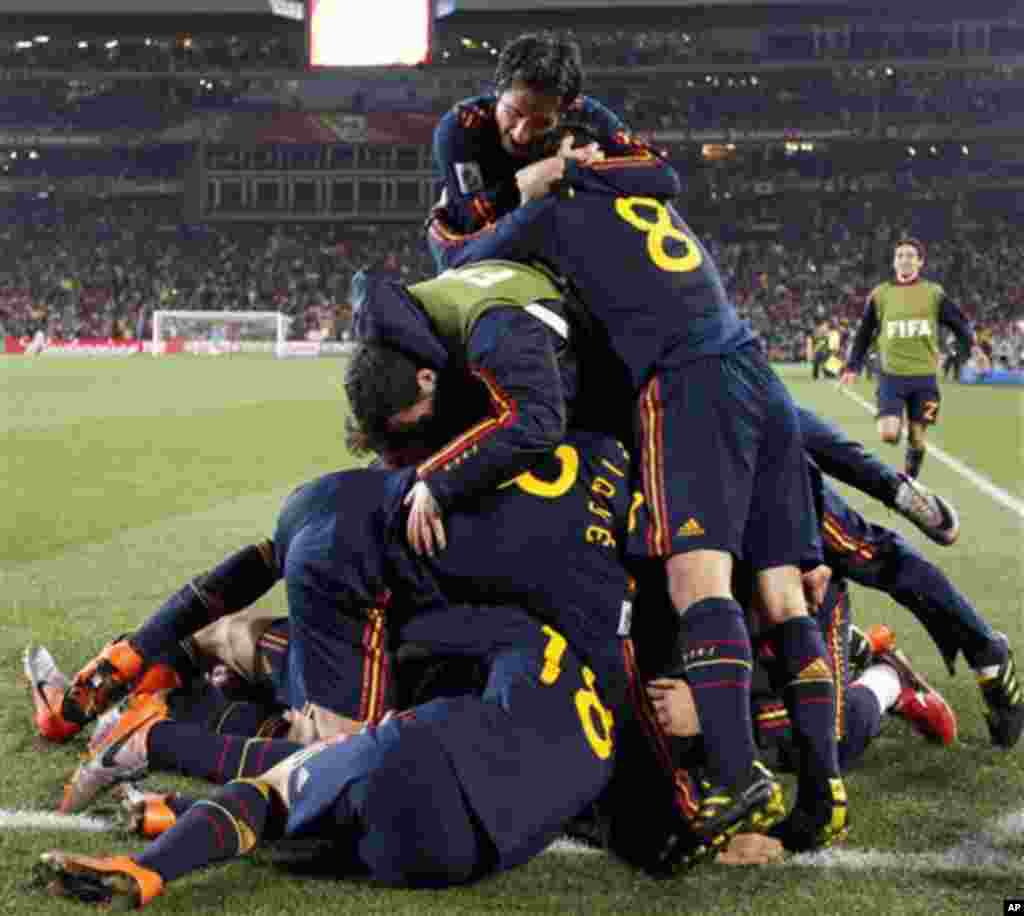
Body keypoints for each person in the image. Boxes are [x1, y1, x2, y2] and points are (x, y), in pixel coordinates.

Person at [430, 135, 845, 849]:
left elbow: (457, 261)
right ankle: (822, 789)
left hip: (691, 382)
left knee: (697, 582)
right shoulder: (639, 192)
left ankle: (737, 773)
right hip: (754, 366)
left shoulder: (550, 210)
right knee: (783, 597)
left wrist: (517, 192)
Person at [427, 32, 627, 271]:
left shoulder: (587, 116)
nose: (521, 134)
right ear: (498, 92)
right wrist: (534, 178)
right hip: (467, 249)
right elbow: (472, 222)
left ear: (564, 112)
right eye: (513, 113)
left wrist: (580, 169)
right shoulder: (461, 127)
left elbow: (659, 172)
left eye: (541, 123)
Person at [840, 238, 974, 479]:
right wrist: (852, 366)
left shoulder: (933, 293)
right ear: (894, 262)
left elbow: (960, 324)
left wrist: (966, 351)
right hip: (891, 376)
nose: (905, 260)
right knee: (889, 434)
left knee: (917, 439)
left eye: (911, 256)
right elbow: (864, 333)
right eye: (900, 255)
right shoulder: (880, 294)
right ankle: (896, 418)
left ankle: (910, 481)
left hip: (925, 378)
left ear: (920, 262)